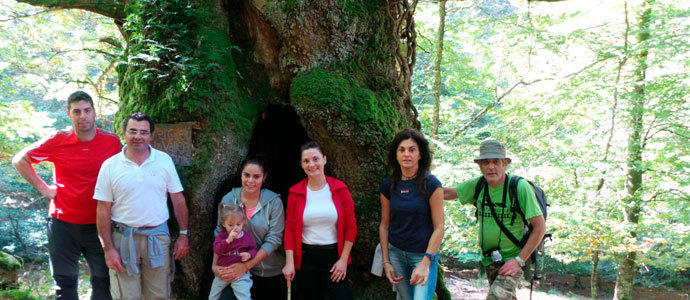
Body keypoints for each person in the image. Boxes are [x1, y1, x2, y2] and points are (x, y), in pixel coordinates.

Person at [11, 91, 121, 300]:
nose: (83, 116)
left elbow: (125, 172)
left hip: (99, 225)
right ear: (68, 114)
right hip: (63, 224)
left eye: (87, 110)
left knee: (103, 282)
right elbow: (19, 160)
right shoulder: (58, 140)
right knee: (64, 286)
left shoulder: (111, 142)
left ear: (94, 112)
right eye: (77, 111)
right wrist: (43, 188)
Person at [93, 112, 190, 299]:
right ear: (124, 134)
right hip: (122, 238)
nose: (138, 136)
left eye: (143, 132)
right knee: (127, 296)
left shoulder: (164, 161)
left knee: (159, 294)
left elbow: (178, 199)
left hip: (157, 237)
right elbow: (103, 209)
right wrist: (108, 248)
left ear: (151, 136)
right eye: (133, 131)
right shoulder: (110, 166)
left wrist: (184, 235)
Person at [443, 139, 545, 300]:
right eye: (486, 162)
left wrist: (518, 261)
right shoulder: (479, 185)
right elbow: (447, 193)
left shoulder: (519, 187)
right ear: (480, 165)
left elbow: (540, 228)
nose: (491, 167)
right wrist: (414, 185)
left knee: (496, 297)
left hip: (513, 259)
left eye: (496, 162)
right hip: (490, 259)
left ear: (505, 164)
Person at [282, 141, 357, 300]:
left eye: (315, 159)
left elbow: (351, 227)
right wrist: (289, 262)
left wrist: (343, 260)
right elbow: (289, 229)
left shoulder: (340, 189)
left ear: (324, 159)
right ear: (301, 165)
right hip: (305, 258)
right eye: (306, 161)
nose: (312, 164)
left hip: (334, 256)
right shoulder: (295, 192)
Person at [379, 129, 444, 300]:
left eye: (412, 150)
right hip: (396, 254)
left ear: (420, 155)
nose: (406, 154)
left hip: (423, 255)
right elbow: (385, 225)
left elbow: (439, 228)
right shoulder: (388, 185)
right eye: (402, 150)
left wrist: (426, 262)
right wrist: (386, 262)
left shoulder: (431, 184)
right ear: (396, 155)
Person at [213, 157, 287, 300]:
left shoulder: (274, 202)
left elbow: (274, 239)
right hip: (236, 268)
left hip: (270, 271)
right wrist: (215, 266)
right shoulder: (229, 200)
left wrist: (246, 266)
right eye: (247, 175)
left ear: (264, 177)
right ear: (241, 175)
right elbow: (219, 234)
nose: (250, 181)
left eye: (256, 176)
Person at [209, 204, 257, 300]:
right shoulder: (222, 236)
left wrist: (249, 254)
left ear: (243, 223)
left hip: (240, 274)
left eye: (238, 224)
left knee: (244, 296)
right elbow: (217, 250)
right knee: (213, 296)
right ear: (223, 223)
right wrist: (227, 241)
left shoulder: (247, 236)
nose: (235, 228)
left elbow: (253, 249)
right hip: (223, 273)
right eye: (230, 225)